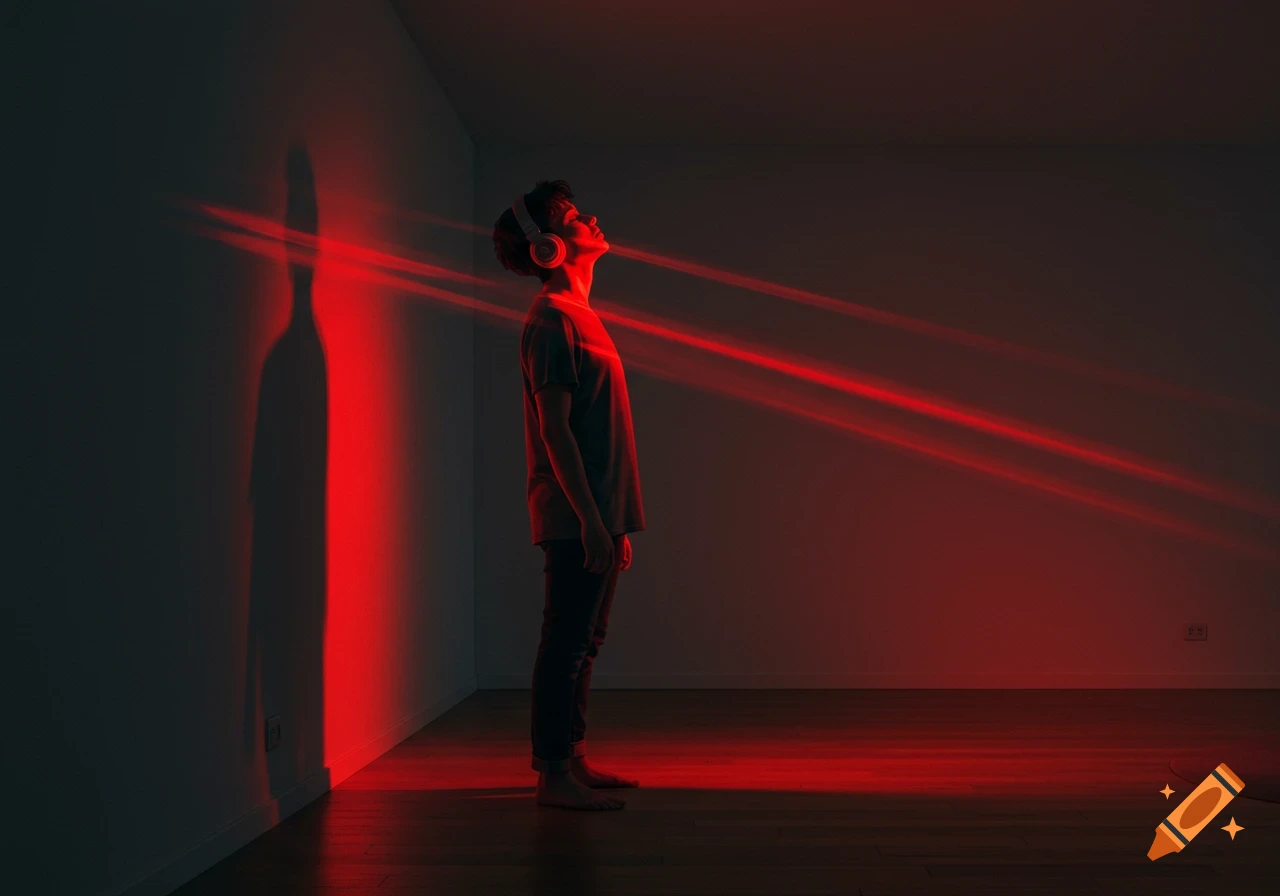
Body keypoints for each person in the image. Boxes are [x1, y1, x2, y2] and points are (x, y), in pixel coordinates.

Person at [493, 180, 646, 811]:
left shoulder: (581, 316)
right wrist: (588, 519)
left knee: (586, 642)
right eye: (578, 218)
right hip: (574, 515)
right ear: (550, 248)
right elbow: (553, 427)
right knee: (565, 641)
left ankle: (572, 760)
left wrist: (613, 524)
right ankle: (551, 774)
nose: (593, 220)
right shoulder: (552, 319)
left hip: (597, 515)